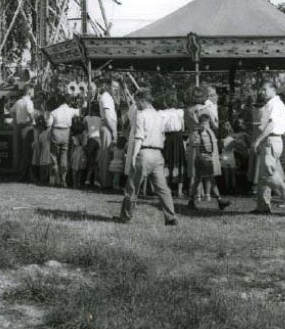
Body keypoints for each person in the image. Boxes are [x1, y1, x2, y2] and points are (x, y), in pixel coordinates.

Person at [120, 88, 177, 226]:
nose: (136, 105)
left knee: (132, 187)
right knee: (163, 188)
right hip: (158, 154)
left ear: (143, 100)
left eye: (137, 102)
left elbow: (139, 136)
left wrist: (133, 155)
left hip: (144, 153)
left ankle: (125, 217)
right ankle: (170, 217)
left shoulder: (141, 115)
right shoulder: (159, 115)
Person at [253, 81, 285, 215]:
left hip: (272, 140)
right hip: (271, 140)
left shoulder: (275, 104)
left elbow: (272, 124)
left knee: (268, 174)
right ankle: (263, 206)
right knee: (263, 175)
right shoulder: (270, 104)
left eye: (265, 89)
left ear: (273, 90)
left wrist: (258, 140)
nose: (262, 92)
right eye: (261, 89)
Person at [190, 112, 225, 209]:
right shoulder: (197, 134)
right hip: (201, 160)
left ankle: (220, 201)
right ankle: (192, 200)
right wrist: (202, 160)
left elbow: (212, 147)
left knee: (211, 180)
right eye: (205, 124)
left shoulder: (209, 133)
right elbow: (196, 150)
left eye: (208, 124)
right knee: (198, 180)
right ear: (200, 123)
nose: (207, 126)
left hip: (209, 160)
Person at [48, 95, 78, 188]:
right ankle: (63, 180)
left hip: (56, 132)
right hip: (66, 133)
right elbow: (80, 112)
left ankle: (54, 179)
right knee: (64, 156)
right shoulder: (71, 110)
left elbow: (48, 124)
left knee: (54, 155)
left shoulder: (54, 112)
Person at [96, 79, 117, 189]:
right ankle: (105, 183)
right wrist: (114, 132)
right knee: (105, 155)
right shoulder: (105, 97)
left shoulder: (109, 98)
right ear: (108, 86)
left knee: (108, 155)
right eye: (114, 87)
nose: (115, 90)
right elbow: (108, 117)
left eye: (117, 88)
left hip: (109, 126)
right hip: (108, 126)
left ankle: (106, 181)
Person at [12, 86, 36, 180]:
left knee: (21, 151)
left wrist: (16, 120)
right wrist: (33, 120)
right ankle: (26, 175)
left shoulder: (18, 101)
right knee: (28, 152)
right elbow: (31, 113)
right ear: (29, 91)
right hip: (27, 127)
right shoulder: (28, 102)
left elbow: (11, 111)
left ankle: (21, 173)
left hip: (19, 127)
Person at [219, 122, 240, 197]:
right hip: (231, 156)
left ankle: (227, 188)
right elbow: (234, 148)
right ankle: (233, 188)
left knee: (226, 174)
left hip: (224, 156)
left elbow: (221, 148)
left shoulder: (222, 140)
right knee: (233, 174)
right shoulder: (233, 140)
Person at [32, 112, 53, 185]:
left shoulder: (47, 131)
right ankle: (41, 179)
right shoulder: (39, 132)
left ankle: (44, 179)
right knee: (41, 163)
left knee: (45, 163)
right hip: (42, 149)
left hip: (46, 149)